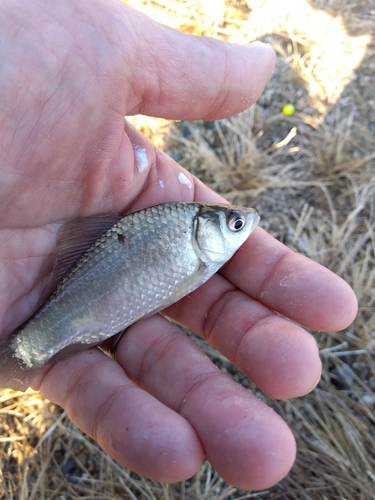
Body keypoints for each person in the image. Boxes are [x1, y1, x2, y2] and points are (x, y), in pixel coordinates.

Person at [0, 0, 357, 491]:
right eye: (233, 225)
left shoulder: (182, 230)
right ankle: (21, 354)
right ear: (204, 231)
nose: (243, 225)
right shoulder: (181, 229)